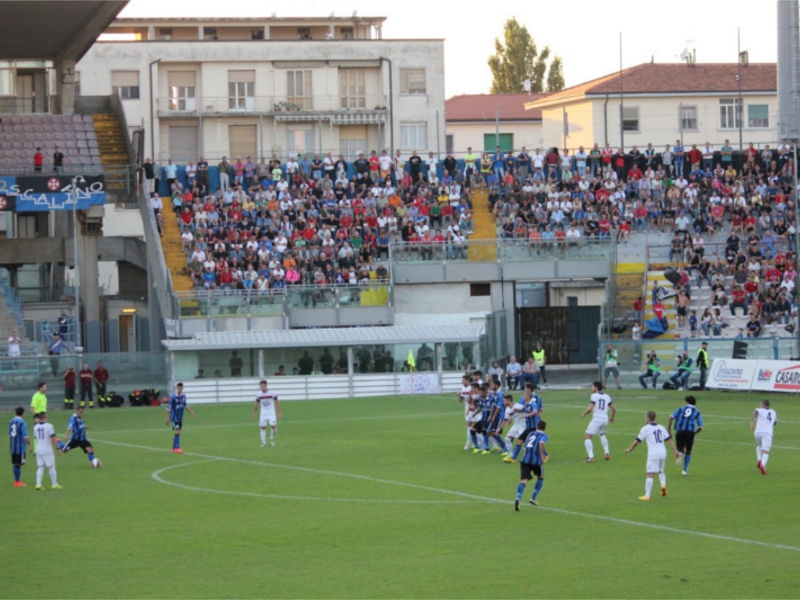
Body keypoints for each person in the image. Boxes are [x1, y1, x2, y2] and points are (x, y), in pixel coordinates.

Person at [625, 411, 680, 501]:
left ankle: (647, 495)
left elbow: (637, 441)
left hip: (653, 454)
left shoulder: (646, 428)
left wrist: (630, 449)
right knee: (661, 471)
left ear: (647, 418)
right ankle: (663, 485)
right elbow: (669, 440)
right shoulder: (661, 427)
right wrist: (675, 451)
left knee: (650, 474)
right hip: (663, 452)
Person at [514, 421, 548, 510]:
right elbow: (541, 443)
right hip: (535, 461)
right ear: (544, 428)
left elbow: (525, 446)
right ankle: (533, 498)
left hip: (524, 460)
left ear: (536, 426)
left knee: (523, 481)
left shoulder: (530, 434)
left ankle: (518, 498)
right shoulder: (543, 436)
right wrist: (541, 455)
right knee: (541, 477)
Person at [667, 395, 703, 476]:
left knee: (680, 448)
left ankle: (679, 454)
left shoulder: (680, 409)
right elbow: (700, 427)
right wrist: (694, 433)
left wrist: (668, 431)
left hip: (679, 431)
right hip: (690, 432)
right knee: (688, 452)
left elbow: (670, 418)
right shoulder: (697, 412)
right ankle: (684, 470)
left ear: (686, 402)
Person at [580, 381, 615, 463]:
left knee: (586, 437)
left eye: (592, 386)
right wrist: (612, 417)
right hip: (605, 419)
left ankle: (591, 457)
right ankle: (607, 453)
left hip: (597, 419)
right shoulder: (607, 396)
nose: (591, 388)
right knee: (602, 434)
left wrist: (584, 414)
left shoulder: (594, 395)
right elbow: (614, 409)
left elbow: (590, 408)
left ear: (596, 387)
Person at [33, 412, 61, 490]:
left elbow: (35, 437)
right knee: (51, 467)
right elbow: (53, 438)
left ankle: (38, 484)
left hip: (38, 449)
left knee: (40, 467)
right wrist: (57, 448)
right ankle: (54, 484)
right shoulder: (49, 426)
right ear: (46, 417)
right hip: (47, 449)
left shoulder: (35, 427)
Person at [166, 383, 196, 454]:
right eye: (178, 388)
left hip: (180, 417)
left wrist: (191, 412)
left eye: (181, 388)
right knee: (177, 431)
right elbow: (168, 408)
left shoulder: (183, 396)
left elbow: (185, 405)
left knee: (179, 431)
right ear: (176, 388)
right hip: (174, 417)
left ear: (182, 388)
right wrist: (167, 418)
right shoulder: (173, 397)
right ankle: (177, 447)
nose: (179, 390)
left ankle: (174, 448)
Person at [252, 380, 282, 447]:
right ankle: (263, 443)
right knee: (262, 427)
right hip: (263, 412)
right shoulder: (258, 394)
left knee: (273, 426)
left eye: (263, 386)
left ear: (266, 386)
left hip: (271, 412)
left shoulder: (272, 393)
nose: (262, 387)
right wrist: (254, 412)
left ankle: (272, 438)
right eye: (261, 386)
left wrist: (279, 411)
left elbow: (277, 401)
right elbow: (256, 404)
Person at [751, 399, 777, 475]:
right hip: (767, 433)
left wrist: (752, 422)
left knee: (759, 445)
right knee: (765, 451)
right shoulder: (773, 412)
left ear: (763, 404)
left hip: (757, 432)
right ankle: (763, 465)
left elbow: (754, 412)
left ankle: (759, 459)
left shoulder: (759, 410)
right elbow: (775, 422)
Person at [9, 406, 31, 487]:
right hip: (20, 447)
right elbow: (25, 436)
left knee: (15, 464)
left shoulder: (11, 422)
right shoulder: (22, 423)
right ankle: (17, 482)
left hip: (13, 447)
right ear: (22, 413)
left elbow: (9, 435)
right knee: (18, 464)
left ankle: (16, 481)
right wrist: (29, 445)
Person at [30, 381, 48, 454]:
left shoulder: (44, 396)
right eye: (45, 386)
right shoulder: (36, 396)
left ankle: (42, 449)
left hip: (43, 415)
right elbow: (32, 407)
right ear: (40, 388)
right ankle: (36, 450)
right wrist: (35, 417)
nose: (46, 388)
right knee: (36, 433)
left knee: (44, 432)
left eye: (46, 386)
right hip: (38, 415)